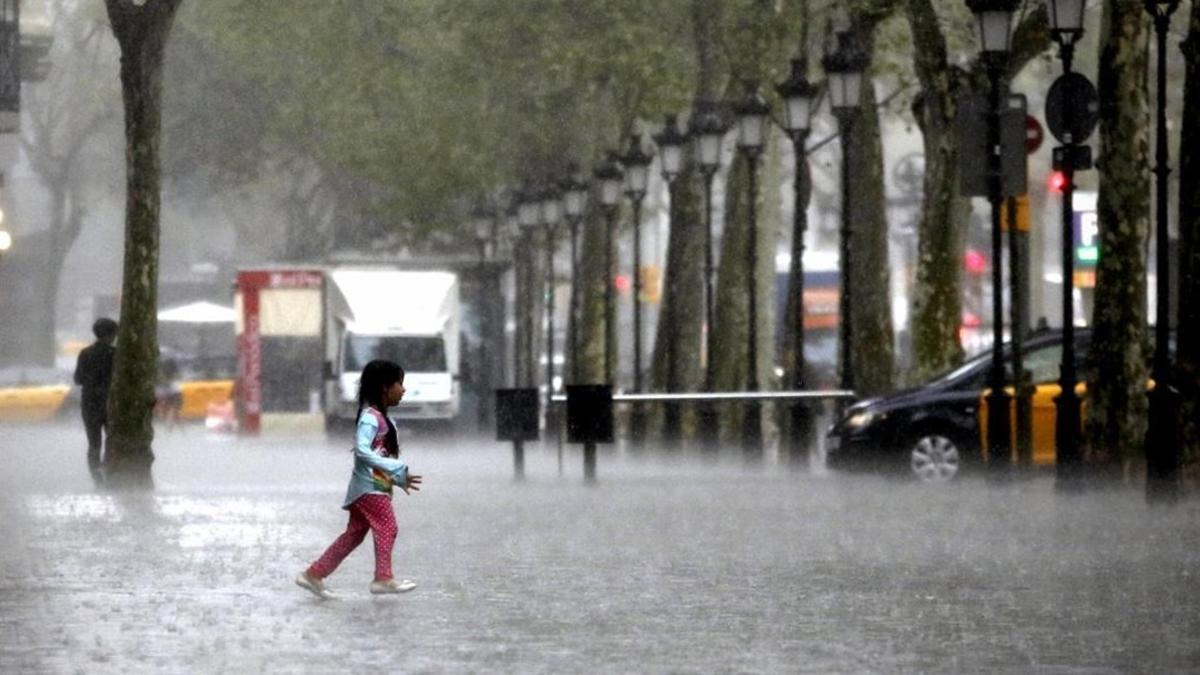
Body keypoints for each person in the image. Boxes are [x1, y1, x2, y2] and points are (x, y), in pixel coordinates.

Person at [296, 359, 423, 598]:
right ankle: (383, 577)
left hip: (373, 487)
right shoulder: (370, 418)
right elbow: (363, 451)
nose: (403, 390)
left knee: (354, 534)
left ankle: (314, 574)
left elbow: (378, 456)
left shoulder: (384, 420)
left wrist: (398, 478)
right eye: (399, 384)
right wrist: (397, 468)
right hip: (369, 489)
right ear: (385, 387)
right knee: (388, 526)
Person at [74, 318, 117, 483]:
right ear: (111, 334)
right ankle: (110, 475)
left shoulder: (85, 353)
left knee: (94, 443)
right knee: (111, 440)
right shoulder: (115, 354)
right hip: (110, 403)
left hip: (90, 403)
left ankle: (97, 479)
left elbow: (78, 379)